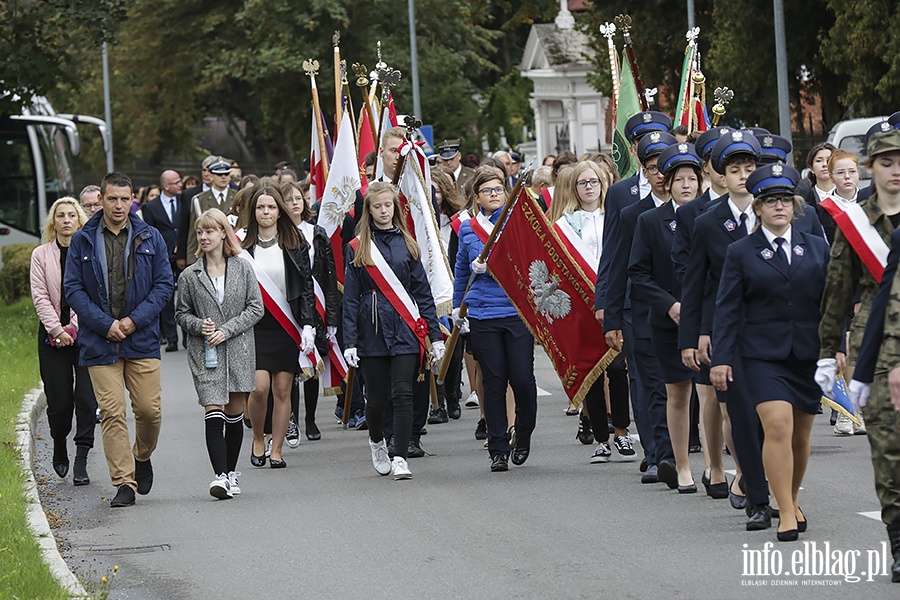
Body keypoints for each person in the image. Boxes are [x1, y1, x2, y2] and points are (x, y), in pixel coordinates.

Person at [712, 163, 830, 542]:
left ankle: (791, 499)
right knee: (777, 423)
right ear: (758, 208)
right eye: (771, 201)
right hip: (760, 354)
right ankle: (783, 513)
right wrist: (722, 359)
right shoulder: (741, 251)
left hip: (808, 353)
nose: (779, 207)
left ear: (795, 207)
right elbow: (727, 309)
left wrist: (838, 349)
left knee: (800, 435)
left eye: (785, 201)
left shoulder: (815, 246)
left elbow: (832, 302)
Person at [64, 171, 175, 508]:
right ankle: (124, 482)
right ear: (102, 198)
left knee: (148, 411)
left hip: (140, 339)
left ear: (132, 200)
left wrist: (131, 321)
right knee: (112, 413)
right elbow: (73, 289)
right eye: (112, 198)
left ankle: (142, 455)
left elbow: (163, 286)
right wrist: (104, 324)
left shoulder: (149, 236)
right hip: (99, 342)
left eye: (125, 199)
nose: (118, 205)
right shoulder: (83, 239)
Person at [343, 182, 443, 480]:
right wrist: (349, 341)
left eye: (388, 205)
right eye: (378, 206)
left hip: (405, 328)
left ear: (395, 208)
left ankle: (399, 456)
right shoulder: (357, 247)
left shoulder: (408, 243)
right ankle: (377, 442)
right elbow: (349, 298)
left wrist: (435, 336)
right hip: (371, 329)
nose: (384, 211)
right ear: (369, 210)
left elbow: (422, 293)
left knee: (403, 394)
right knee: (376, 399)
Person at [816, 124, 900, 438]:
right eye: (886, 162)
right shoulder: (857, 218)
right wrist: (830, 349)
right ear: (872, 167)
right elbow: (839, 287)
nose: (895, 170)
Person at [630, 143, 704, 492]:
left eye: (693, 179)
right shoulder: (649, 221)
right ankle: (679, 463)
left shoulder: (712, 217)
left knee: (712, 396)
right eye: (680, 179)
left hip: (709, 322)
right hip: (667, 322)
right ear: (667, 184)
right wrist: (670, 305)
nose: (686, 185)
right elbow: (639, 273)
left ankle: (717, 464)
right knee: (676, 392)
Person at [453, 167, 538, 472]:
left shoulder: (516, 223)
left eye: (499, 190)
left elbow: (529, 261)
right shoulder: (467, 229)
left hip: (515, 311)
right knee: (494, 382)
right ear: (476, 197)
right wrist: (456, 307)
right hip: (482, 313)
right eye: (487, 191)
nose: (494, 195)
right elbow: (462, 271)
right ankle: (497, 448)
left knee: (523, 380)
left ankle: (524, 433)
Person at [175, 208, 263, 499]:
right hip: (207, 353)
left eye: (210, 231)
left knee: (235, 413)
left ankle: (232, 472)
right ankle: (220, 476)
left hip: (238, 348)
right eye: (200, 232)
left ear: (224, 233)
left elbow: (255, 308)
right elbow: (181, 313)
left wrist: (227, 329)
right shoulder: (190, 274)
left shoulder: (242, 267)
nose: (203, 237)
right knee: (212, 408)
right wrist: (199, 325)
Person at [550, 160, 632, 464]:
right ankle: (600, 438)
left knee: (617, 368)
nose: (588, 187)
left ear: (603, 184)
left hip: (614, 300)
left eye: (594, 182)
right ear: (574, 188)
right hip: (582, 307)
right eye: (583, 182)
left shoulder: (618, 216)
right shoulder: (564, 224)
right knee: (593, 370)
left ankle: (621, 432)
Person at [847, 127, 900, 581]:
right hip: (887, 354)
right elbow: (880, 303)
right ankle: (899, 540)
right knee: (890, 451)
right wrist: (856, 369)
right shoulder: (866, 223)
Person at [241, 182, 316, 469]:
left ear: (279, 211)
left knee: (283, 389)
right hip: (254, 326)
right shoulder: (242, 246)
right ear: (253, 211)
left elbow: (306, 287)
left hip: (286, 324)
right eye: (260, 207)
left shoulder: (295, 243)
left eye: (271, 207)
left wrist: (308, 325)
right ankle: (259, 437)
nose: (266, 212)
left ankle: (277, 449)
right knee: (259, 388)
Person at [31, 197, 97, 486]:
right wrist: (57, 329)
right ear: (53, 222)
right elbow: (40, 296)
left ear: (80, 221)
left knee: (85, 398)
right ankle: (60, 443)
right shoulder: (40, 255)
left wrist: (74, 328)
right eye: (61, 216)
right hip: (51, 336)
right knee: (59, 402)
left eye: (72, 215)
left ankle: (81, 458)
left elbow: (94, 294)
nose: (67, 220)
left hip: (87, 334)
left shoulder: (91, 252)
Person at [284, 180, 339, 442]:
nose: (295, 202)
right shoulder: (280, 235)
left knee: (314, 362)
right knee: (293, 368)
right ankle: (291, 418)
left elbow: (329, 274)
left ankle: (311, 419)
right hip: (289, 306)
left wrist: (332, 315)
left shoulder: (317, 232)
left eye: (298, 198)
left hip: (315, 305)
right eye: (289, 199)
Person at [141, 170, 183, 351]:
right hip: (162, 257)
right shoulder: (151, 207)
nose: (181, 184)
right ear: (166, 186)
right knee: (166, 298)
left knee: (187, 296)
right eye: (177, 182)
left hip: (183, 255)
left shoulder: (186, 202)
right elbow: (149, 233)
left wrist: (181, 246)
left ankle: (188, 336)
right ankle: (171, 337)